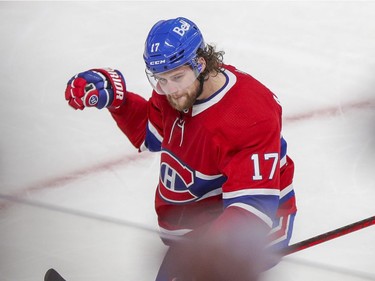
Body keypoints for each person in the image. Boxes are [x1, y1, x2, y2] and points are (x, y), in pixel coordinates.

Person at [65, 17, 297, 281]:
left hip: (247, 232)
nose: (170, 90)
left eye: (176, 78)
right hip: (200, 221)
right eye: (160, 80)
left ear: (200, 63)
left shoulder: (248, 113)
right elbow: (152, 135)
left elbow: (252, 207)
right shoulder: (173, 91)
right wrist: (119, 102)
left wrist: (202, 259)